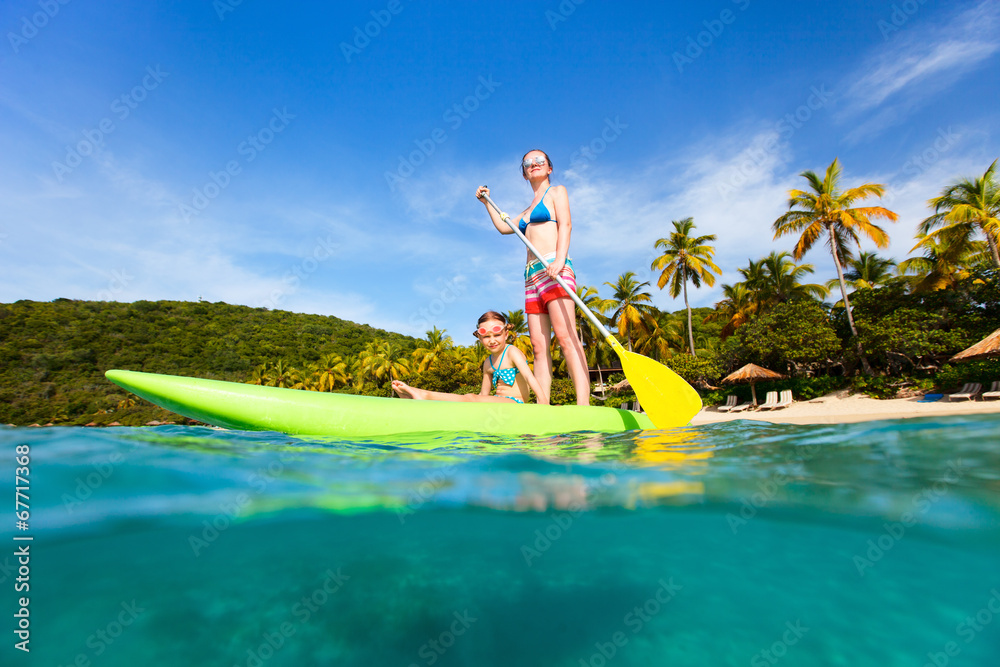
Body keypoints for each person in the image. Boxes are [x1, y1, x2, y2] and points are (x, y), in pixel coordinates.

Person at [476, 149, 591, 406]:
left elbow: (566, 224)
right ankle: (544, 406)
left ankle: (584, 405)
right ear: (525, 173)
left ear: (549, 168)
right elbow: (505, 227)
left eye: (540, 161)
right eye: (528, 163)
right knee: (539, 348)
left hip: (555, 267)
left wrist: (560, 260)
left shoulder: (557, 192)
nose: (534, 164)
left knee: (566, 338)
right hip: (531, 277)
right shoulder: (526, 210)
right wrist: (487, 203)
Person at [391, 311, 548, 404]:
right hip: (496, 402)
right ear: (479, 339)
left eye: (497, 335)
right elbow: (483, 395)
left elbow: (530, 377)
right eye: (486, 337)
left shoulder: (511, 351)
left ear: (506, 334)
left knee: (471, 398)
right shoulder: (488, 363)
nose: (492, 340)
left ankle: (424, 395)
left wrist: (543, 403)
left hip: (515, 403)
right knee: (471, 399)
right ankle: (417, 393)